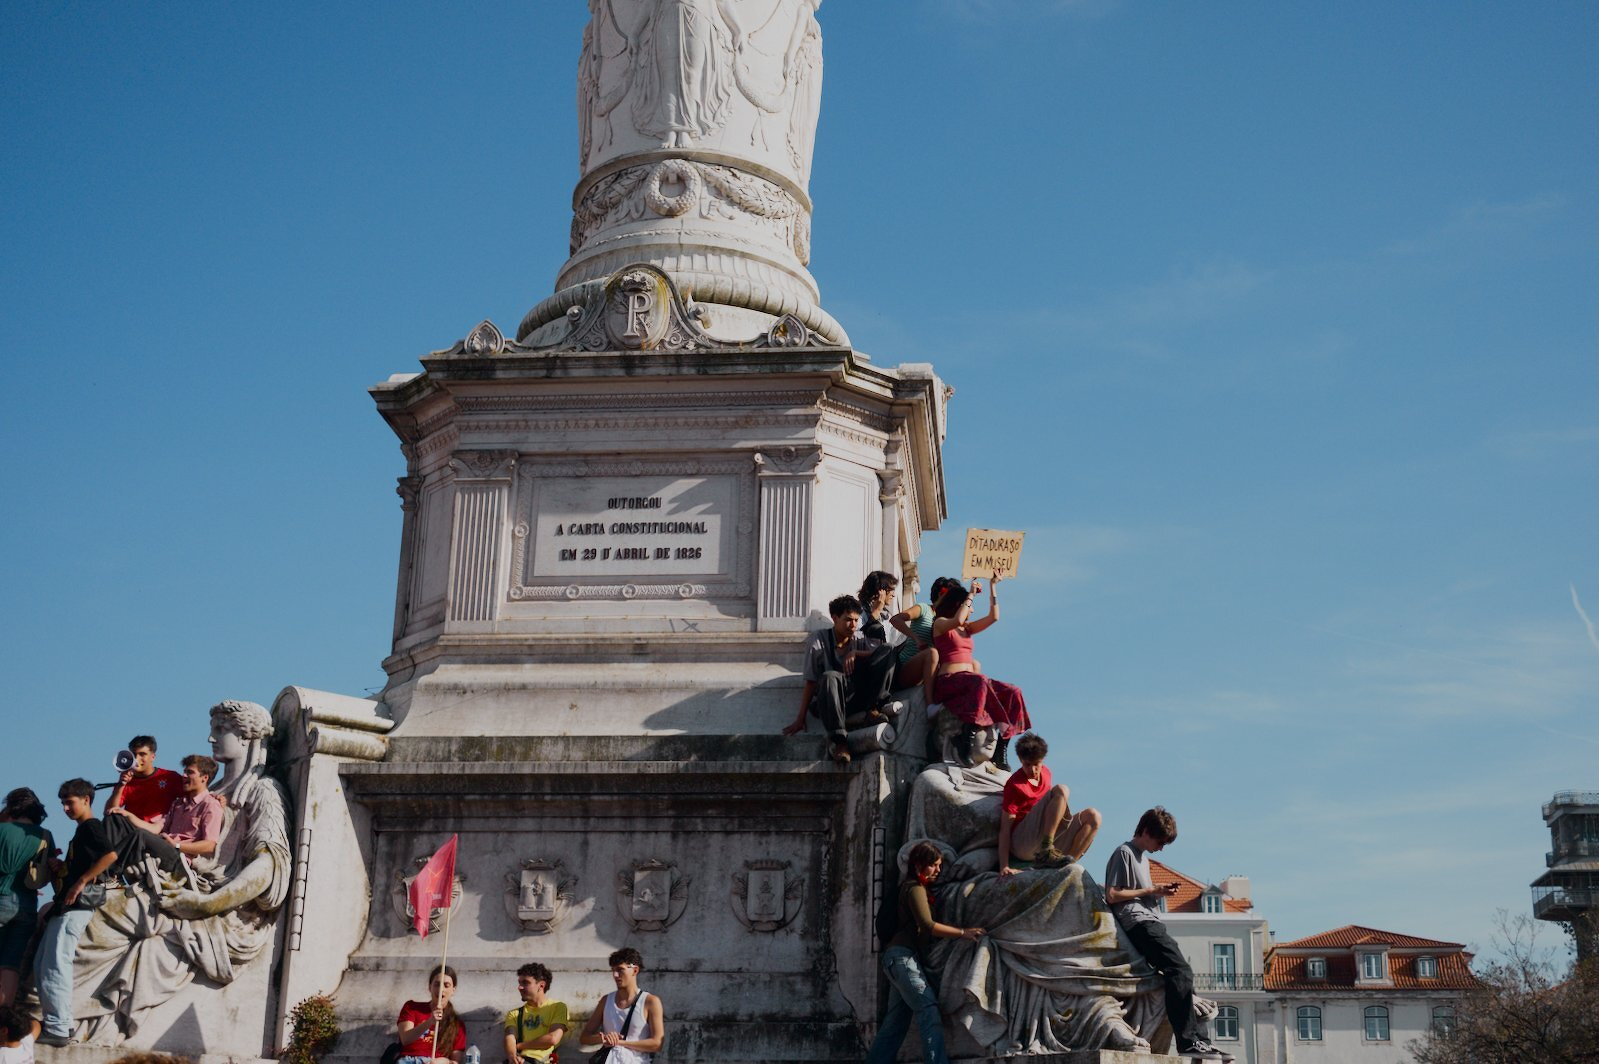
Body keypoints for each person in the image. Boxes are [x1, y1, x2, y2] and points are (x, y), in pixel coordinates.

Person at [1103, 808, 1230, 1061]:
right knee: (1180, 970)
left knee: (1183, 974)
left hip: (1150, 920)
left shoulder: (1142, 858)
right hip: (1137, 922)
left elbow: (1138, 890)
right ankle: (1189, 1041)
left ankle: (1199, 1042)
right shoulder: (1124, 852)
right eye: (1160, 841)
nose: (1161, 848)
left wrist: (1158, 892)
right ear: (1147, 831)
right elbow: (1113, 894)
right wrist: (1150, 889)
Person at [865, 840, 984, 1064]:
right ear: (919, 865)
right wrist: (963, 932)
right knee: (928, 1008)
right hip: (902, 959)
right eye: (934, 865)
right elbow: (928, 925)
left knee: (896, 1022)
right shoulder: (914, 888)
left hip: (897, 959)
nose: (938, 870)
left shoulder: (913, 887)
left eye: (940, 865)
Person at [35, 778, 132, 1047]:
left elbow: (110, 856)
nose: (65, 808)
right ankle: (61, 1023)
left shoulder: (90, 827)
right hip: (66, 906)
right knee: (44, 963)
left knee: (55, 963)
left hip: (75, 907)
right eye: (63, 803)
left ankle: (58, 1026)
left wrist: (81, 881)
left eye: (70, 802)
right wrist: (62, 870)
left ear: (86, 800)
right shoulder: (81, 831)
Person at [783, 594, 900, 764]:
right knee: (831, 676)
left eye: (855, 620)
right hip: (831, 701)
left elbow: (879, 652)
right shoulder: (818, 640)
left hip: (857, 696)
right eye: (848, 620)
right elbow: (810, 681)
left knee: (888, 649)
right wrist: (801, 717)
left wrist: (856, 653)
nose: (853, 625)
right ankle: (840, 742)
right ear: (835, 618)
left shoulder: (859, 638)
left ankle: (873, 709)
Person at [929, 576, 1030, 768]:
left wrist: (993, 587)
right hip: (950, 682)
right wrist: (971, 594)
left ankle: (1002, 746)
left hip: (972, 683)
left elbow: (994, 617)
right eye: (968, 606)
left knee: (1013, 692)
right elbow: (958, 617)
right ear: (957, 604)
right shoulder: (940, 624)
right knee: (980, 680)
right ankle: (965, 740)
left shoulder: (966, 628)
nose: (972, 610)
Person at [997, 733, 1101, 876]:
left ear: (1042, 760)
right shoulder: (1014, 785)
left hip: (1044, 838)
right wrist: (1004, 866)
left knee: (1093, 816)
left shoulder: (1046, 773)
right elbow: (1005, 829)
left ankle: (1065, 867)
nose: (1033, 770)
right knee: (1062, 789)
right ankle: (1047, 849)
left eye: (1036, 764)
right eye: (1027, 765)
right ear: (1021, 761)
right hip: (1023, 843)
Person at [108, 754, 223, 878]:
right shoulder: (178, 804)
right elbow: (155, 828)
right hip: (162, 848)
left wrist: (177, 845)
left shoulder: (211, 804)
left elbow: (210, 845)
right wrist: (127, 815)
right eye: (184, 772)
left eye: (190, 772)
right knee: (114, 819)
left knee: (140, 835)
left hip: (179, 859)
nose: (184, 776)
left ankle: (109, 871)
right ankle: (105, 872)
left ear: (204, 778)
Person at [0, 789, 53, 1007]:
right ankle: (3, 1018)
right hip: (27, 905)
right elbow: (43, 877)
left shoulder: (2, 830)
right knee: (10, 965)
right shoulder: (44, 835)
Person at [579, 948, 664, 1063]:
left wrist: (619, 1042)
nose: (615, 975)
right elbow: (584, 1037)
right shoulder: (606, 1000)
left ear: (635, 970)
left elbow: (657, 1043)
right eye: (613, 970)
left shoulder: (650, 1001)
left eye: (620, 970)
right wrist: (603, 1039)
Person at [889, 576, 958, 705]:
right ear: (941, 593)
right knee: (932, 653)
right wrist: (916, 639)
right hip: (905, 668)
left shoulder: (945, 621)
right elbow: (895, 619)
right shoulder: (924, 609)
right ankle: (930, 704)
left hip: (927, 673)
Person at [394, 964, 467, 1064]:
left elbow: (456, 1061)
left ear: (453, 990)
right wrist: (429, 1022)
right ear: (430, 987)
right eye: (437, 984)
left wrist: (444, 1061)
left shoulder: (457, 1024)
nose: (441, 989)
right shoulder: (412, 1008)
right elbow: (405, 1039)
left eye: (446, 985)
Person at [105, 736, 184, 826]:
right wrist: (121, 785)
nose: (137, 759)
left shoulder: (169, 777)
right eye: (134, 755)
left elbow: (194, 796)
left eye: (142, 754)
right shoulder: (126, 781)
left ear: (153, 757)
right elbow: (110, 812)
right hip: (133, 832)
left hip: (159, 832)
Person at [502, 962, 568, 1064]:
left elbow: (552, 1039)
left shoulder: (558, 1007)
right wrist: (513, 1057)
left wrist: (520, 1045)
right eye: (520, 983)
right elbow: (510, 1038)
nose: (520, 987)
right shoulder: (514, 1014)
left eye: (525, 983)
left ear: (541, 985)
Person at [857, 571, 899, 642]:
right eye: (891, 590)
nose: (893, 595)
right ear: (880, 590)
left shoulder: (887, 616)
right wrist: (876, 612)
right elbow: (857, 637)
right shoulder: (858, 609)